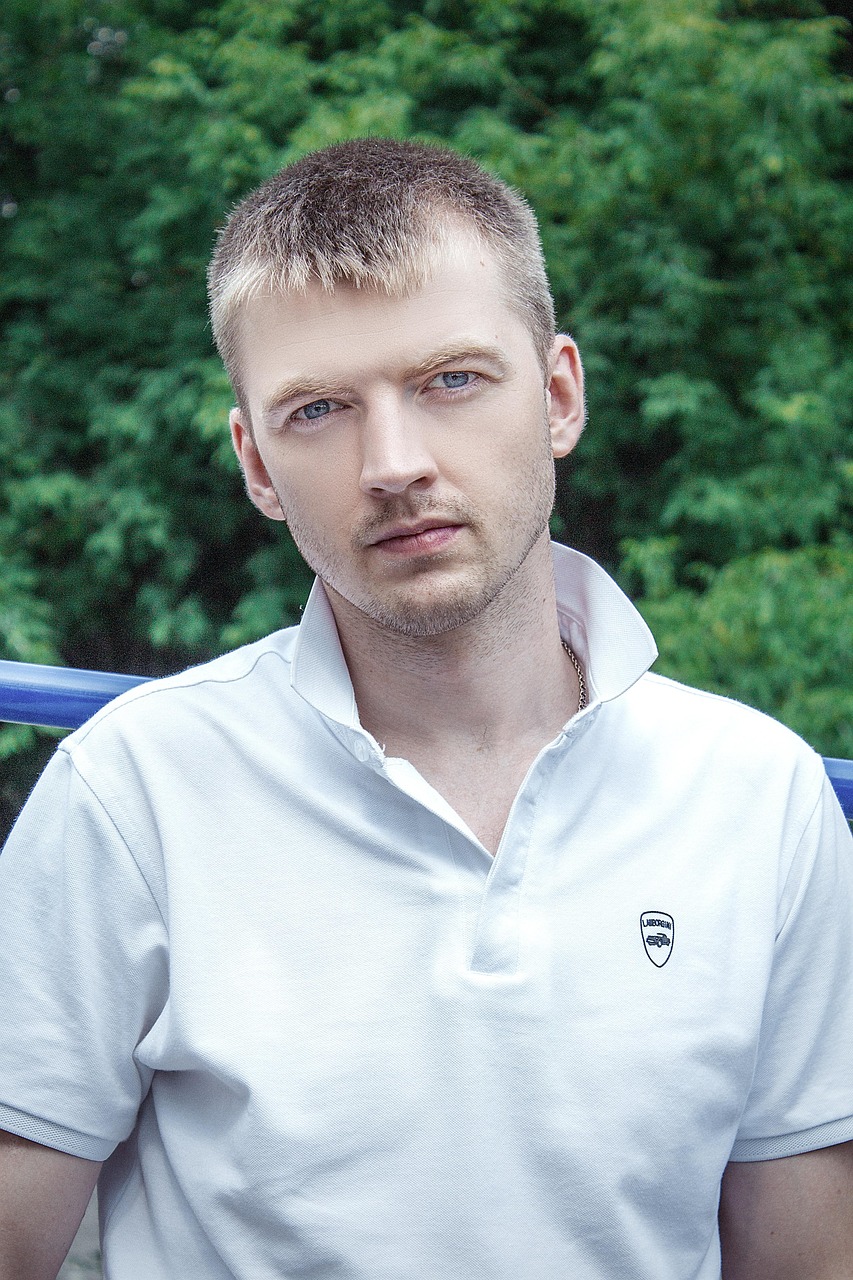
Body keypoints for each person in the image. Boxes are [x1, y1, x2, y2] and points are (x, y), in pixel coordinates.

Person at [0, 138, 851, 1280]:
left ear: (558, 395)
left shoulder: (759, 795)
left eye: (451, 380)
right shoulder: (130, 793)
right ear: (256, 464)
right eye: (317, 409)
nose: (393, 463)